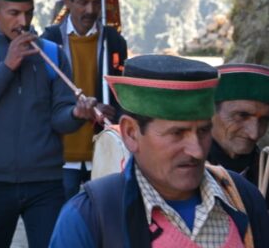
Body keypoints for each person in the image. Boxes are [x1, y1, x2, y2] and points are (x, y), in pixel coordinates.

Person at [49, 55, 269, 248]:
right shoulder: (90, 217)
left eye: (203, 131)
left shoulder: (242, 198)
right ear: (131, 133)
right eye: (177, 133)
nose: (197, 151)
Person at [0, 0, 98, 248]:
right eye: (14, 13)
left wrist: (76, 114)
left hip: (46, 183)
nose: (23, 22)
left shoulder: (52, 54)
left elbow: (59, 118)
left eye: (28, 13)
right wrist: (7, 66)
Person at [41, 0, 128, 199]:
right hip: (62, 152)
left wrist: (113, 113)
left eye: (95, 2)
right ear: (68, 2)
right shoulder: (49, 41)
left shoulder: (114, 41)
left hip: (103, 151)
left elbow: (122, 93)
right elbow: (42, 95)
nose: (90, 10)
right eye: (82, 2)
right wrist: (85, 109)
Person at [208, 63, 269, 207]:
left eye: (264, 119)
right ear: (209, 113)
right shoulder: (184, 172)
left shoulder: (264, 171)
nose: (254, 134)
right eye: (242, 115)